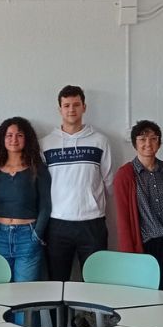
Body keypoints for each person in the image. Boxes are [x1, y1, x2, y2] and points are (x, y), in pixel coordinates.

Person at [42, 85, 113, 282]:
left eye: (76, 104)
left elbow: (109, 182)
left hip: (93, 223)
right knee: (57, 282)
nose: (71, 109)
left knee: (95, 281)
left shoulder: (100, 141)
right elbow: (42, 185)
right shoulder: (46, 144)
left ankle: (91, 306)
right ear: (60, 109)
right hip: (57, 223)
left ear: (84, 107)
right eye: (66, 105)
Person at [114, 120, 163, 292]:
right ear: (135, 143)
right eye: (142, 139)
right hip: (144, 244)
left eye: (153, 138)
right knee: (146, 293)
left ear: (159, 142)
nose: (148, 143)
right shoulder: (125, 175)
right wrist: (129, 255)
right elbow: (123, 219)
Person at [0, 117, 51, 282]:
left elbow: (46, 205)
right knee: (1, 291)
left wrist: (37, 234)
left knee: (24, 293)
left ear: (27, 139)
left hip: (27, 237)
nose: (14, 139)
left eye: (19, 135)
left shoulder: (38, 169)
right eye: (9, 135)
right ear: (2, 139)